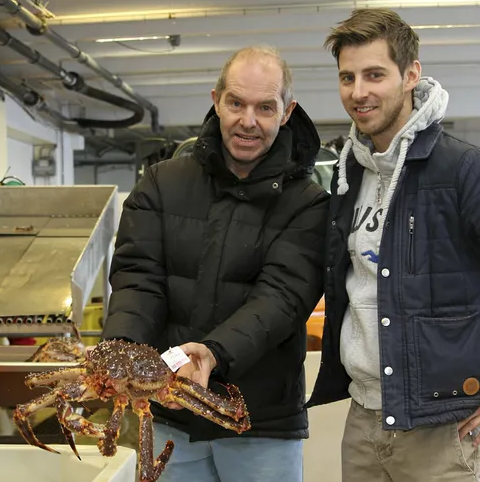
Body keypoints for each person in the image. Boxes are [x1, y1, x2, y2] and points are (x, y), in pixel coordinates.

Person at [306, 8, 480, 481]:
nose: (358, 91)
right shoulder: (349, 175)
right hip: (364, 419)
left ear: (411, 74)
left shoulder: (469, 173)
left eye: (375, 74)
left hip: (444, 429)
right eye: (347, 77)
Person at [100, 45, 329, 482]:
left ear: (287, 112)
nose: (248, 121)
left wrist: (213, 354)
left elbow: (282, 297)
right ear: (216, 100)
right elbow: (137, 278)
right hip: (169, 417)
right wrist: (123, 351)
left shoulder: (308, 203)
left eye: (265, 107)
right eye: (236, 103)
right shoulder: (162, 183)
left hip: (261, 422)